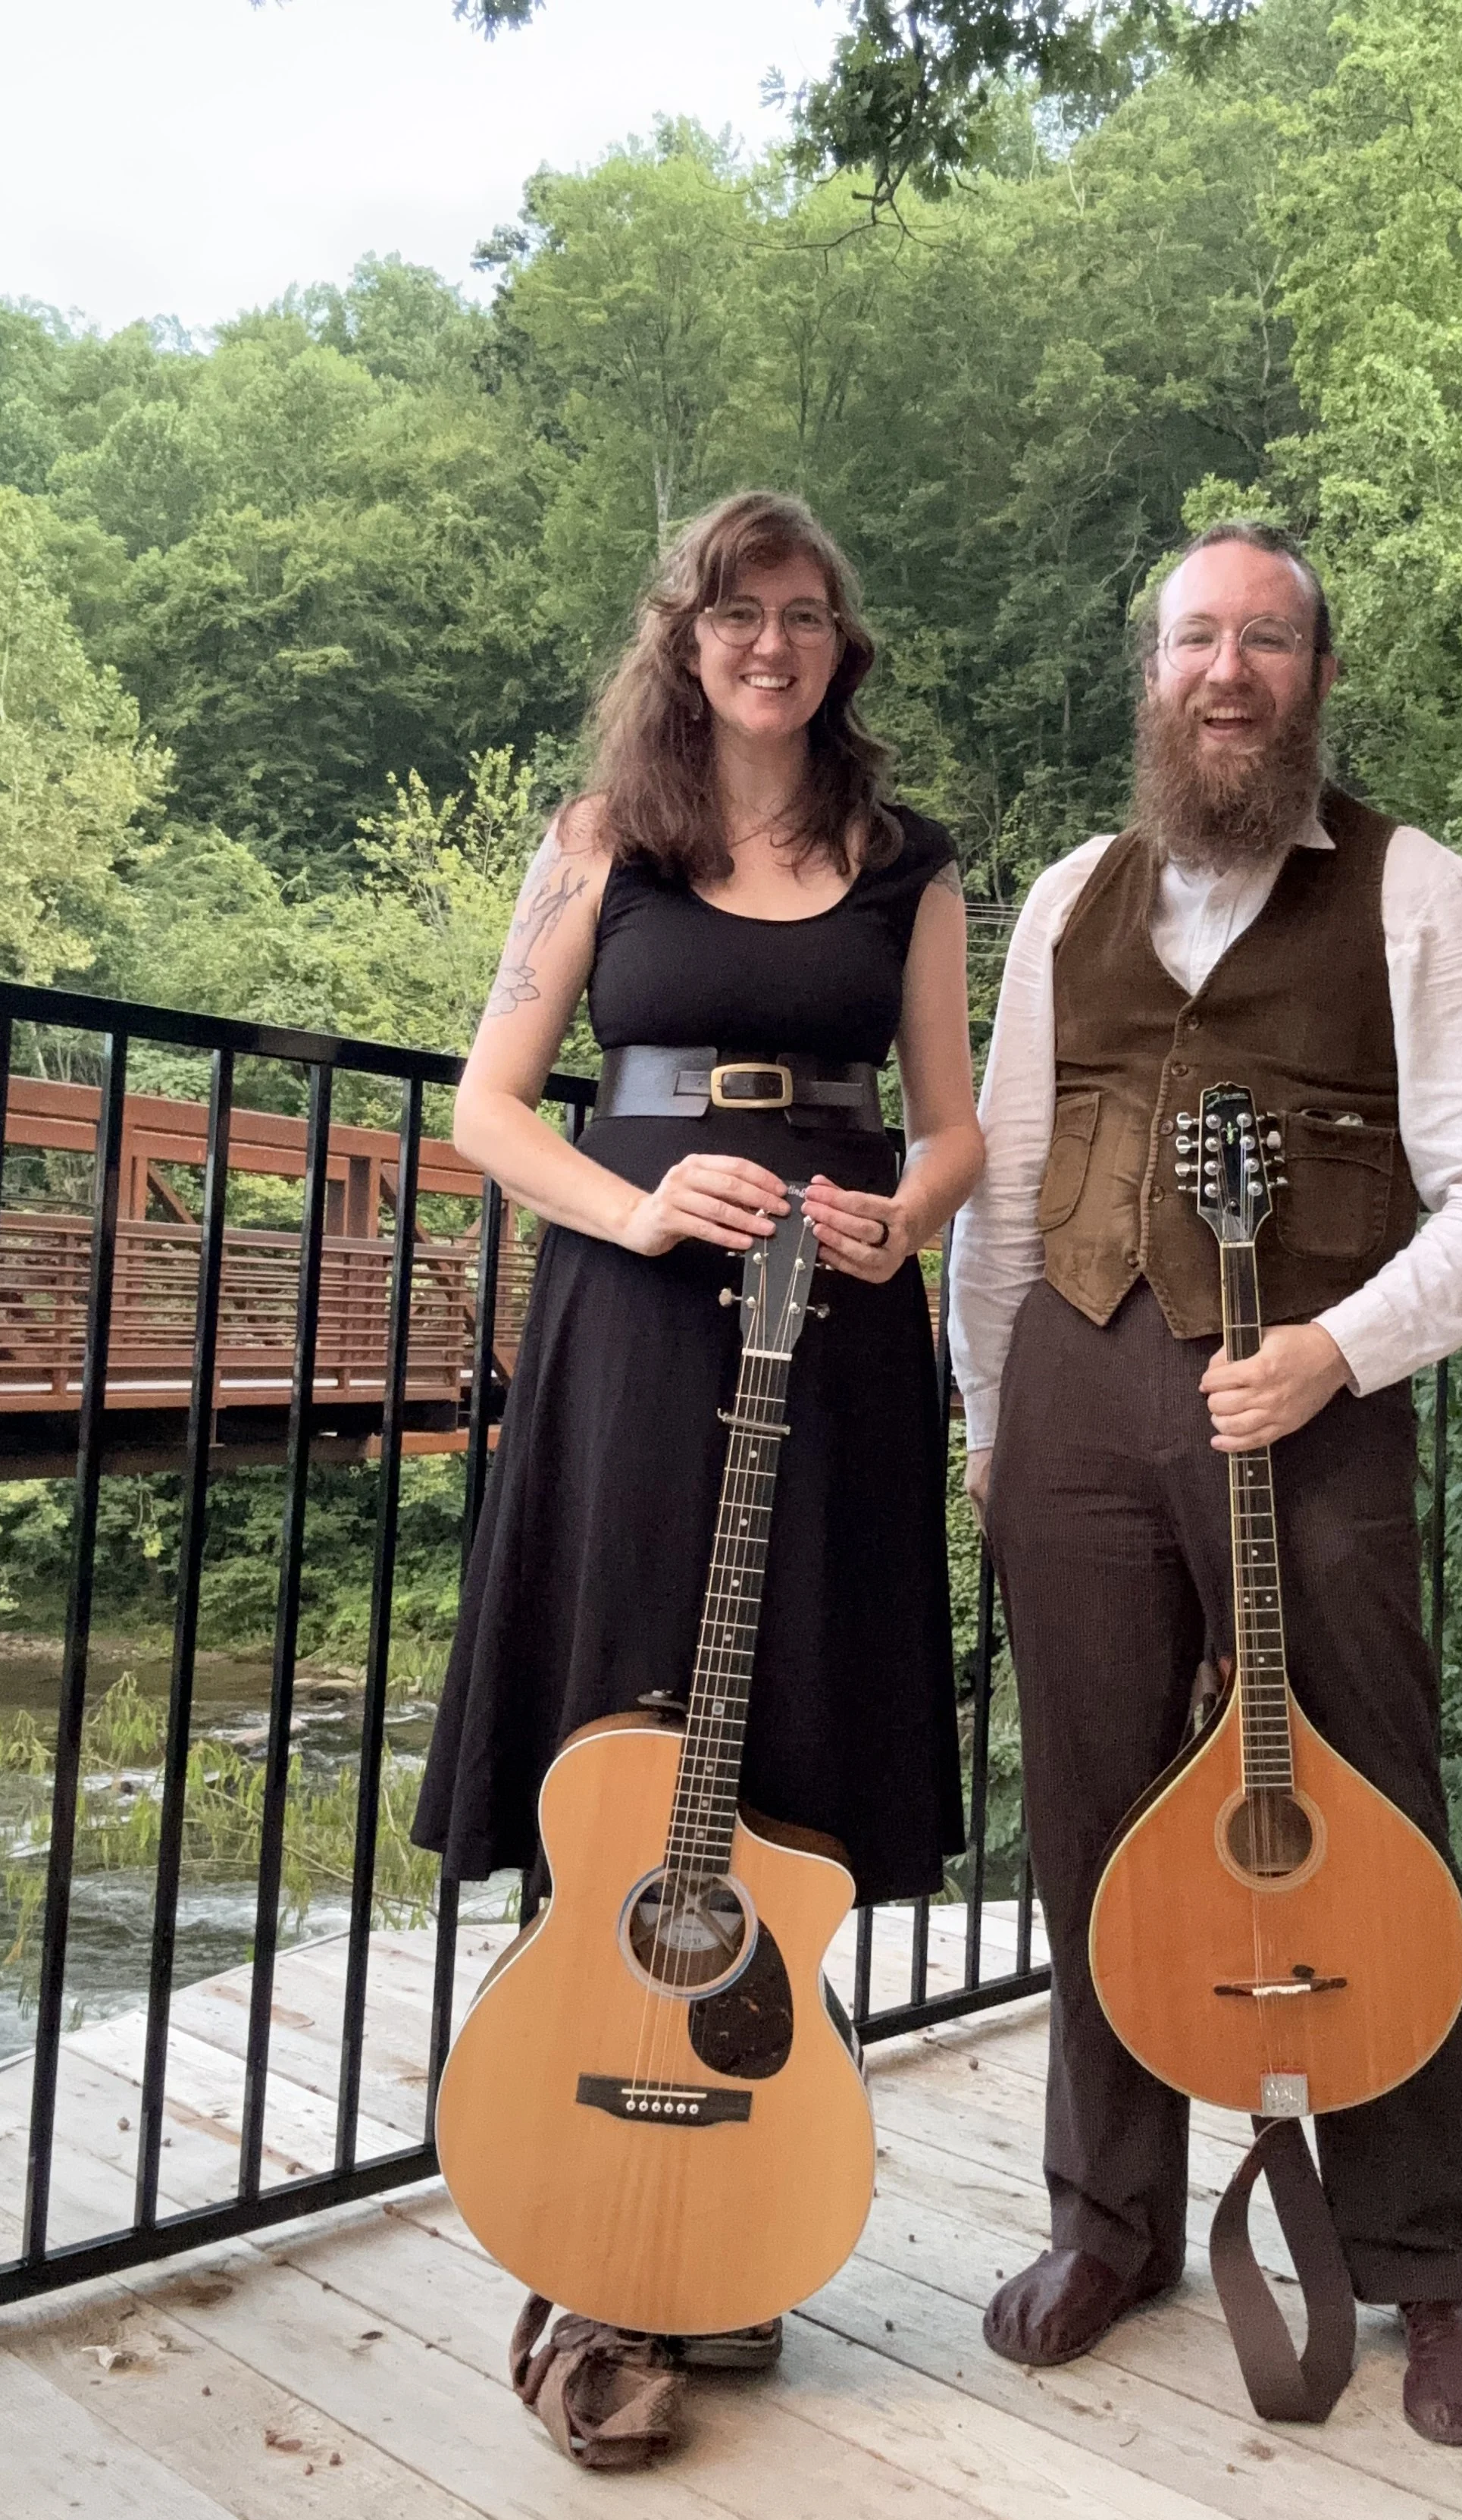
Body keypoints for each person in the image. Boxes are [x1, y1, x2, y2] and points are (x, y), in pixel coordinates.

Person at [947, 521, 1462, 2446]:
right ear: (1151, 673)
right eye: (1196, 638)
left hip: (1312, 1404)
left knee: (1367, 1807)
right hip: (1070, 1396)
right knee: (1087, 1812)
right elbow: (1005, 1176)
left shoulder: (1419, 895)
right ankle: (1108, 2218)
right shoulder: (1070, 894)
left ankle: (1427, 2265)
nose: (1228, 672)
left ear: (1317, 674)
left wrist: (1334, 1349)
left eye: (1267, 640)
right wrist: (988, 1415)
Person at [414, 490, 984, 2369]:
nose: (770, 642)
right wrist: (640, 1207)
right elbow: (489, 1109)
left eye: (803, 613)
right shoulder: (600, 841)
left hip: (839, 1338)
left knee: (795, 1701)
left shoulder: (905, 859)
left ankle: (733, 2200)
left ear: (838, 646)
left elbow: (952, 1125)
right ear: (684, 635)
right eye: (738, 610)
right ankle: (589, 2203)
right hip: (636, 1326)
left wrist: (903, 1219)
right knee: (614, 1696)